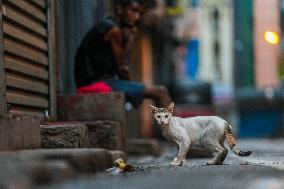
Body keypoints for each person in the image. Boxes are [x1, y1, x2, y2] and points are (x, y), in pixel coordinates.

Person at [74, 0, 171, 107]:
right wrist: (130, 40)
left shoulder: (109, 25)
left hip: (97, 82)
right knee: (161, 92)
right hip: (96, 84)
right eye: (133, 11)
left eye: (140, 13)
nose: (137, 17)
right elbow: (122, 67)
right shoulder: (113, 30)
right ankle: (176, 124)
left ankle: (169, 123)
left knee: (150, 92)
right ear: (120, 9)